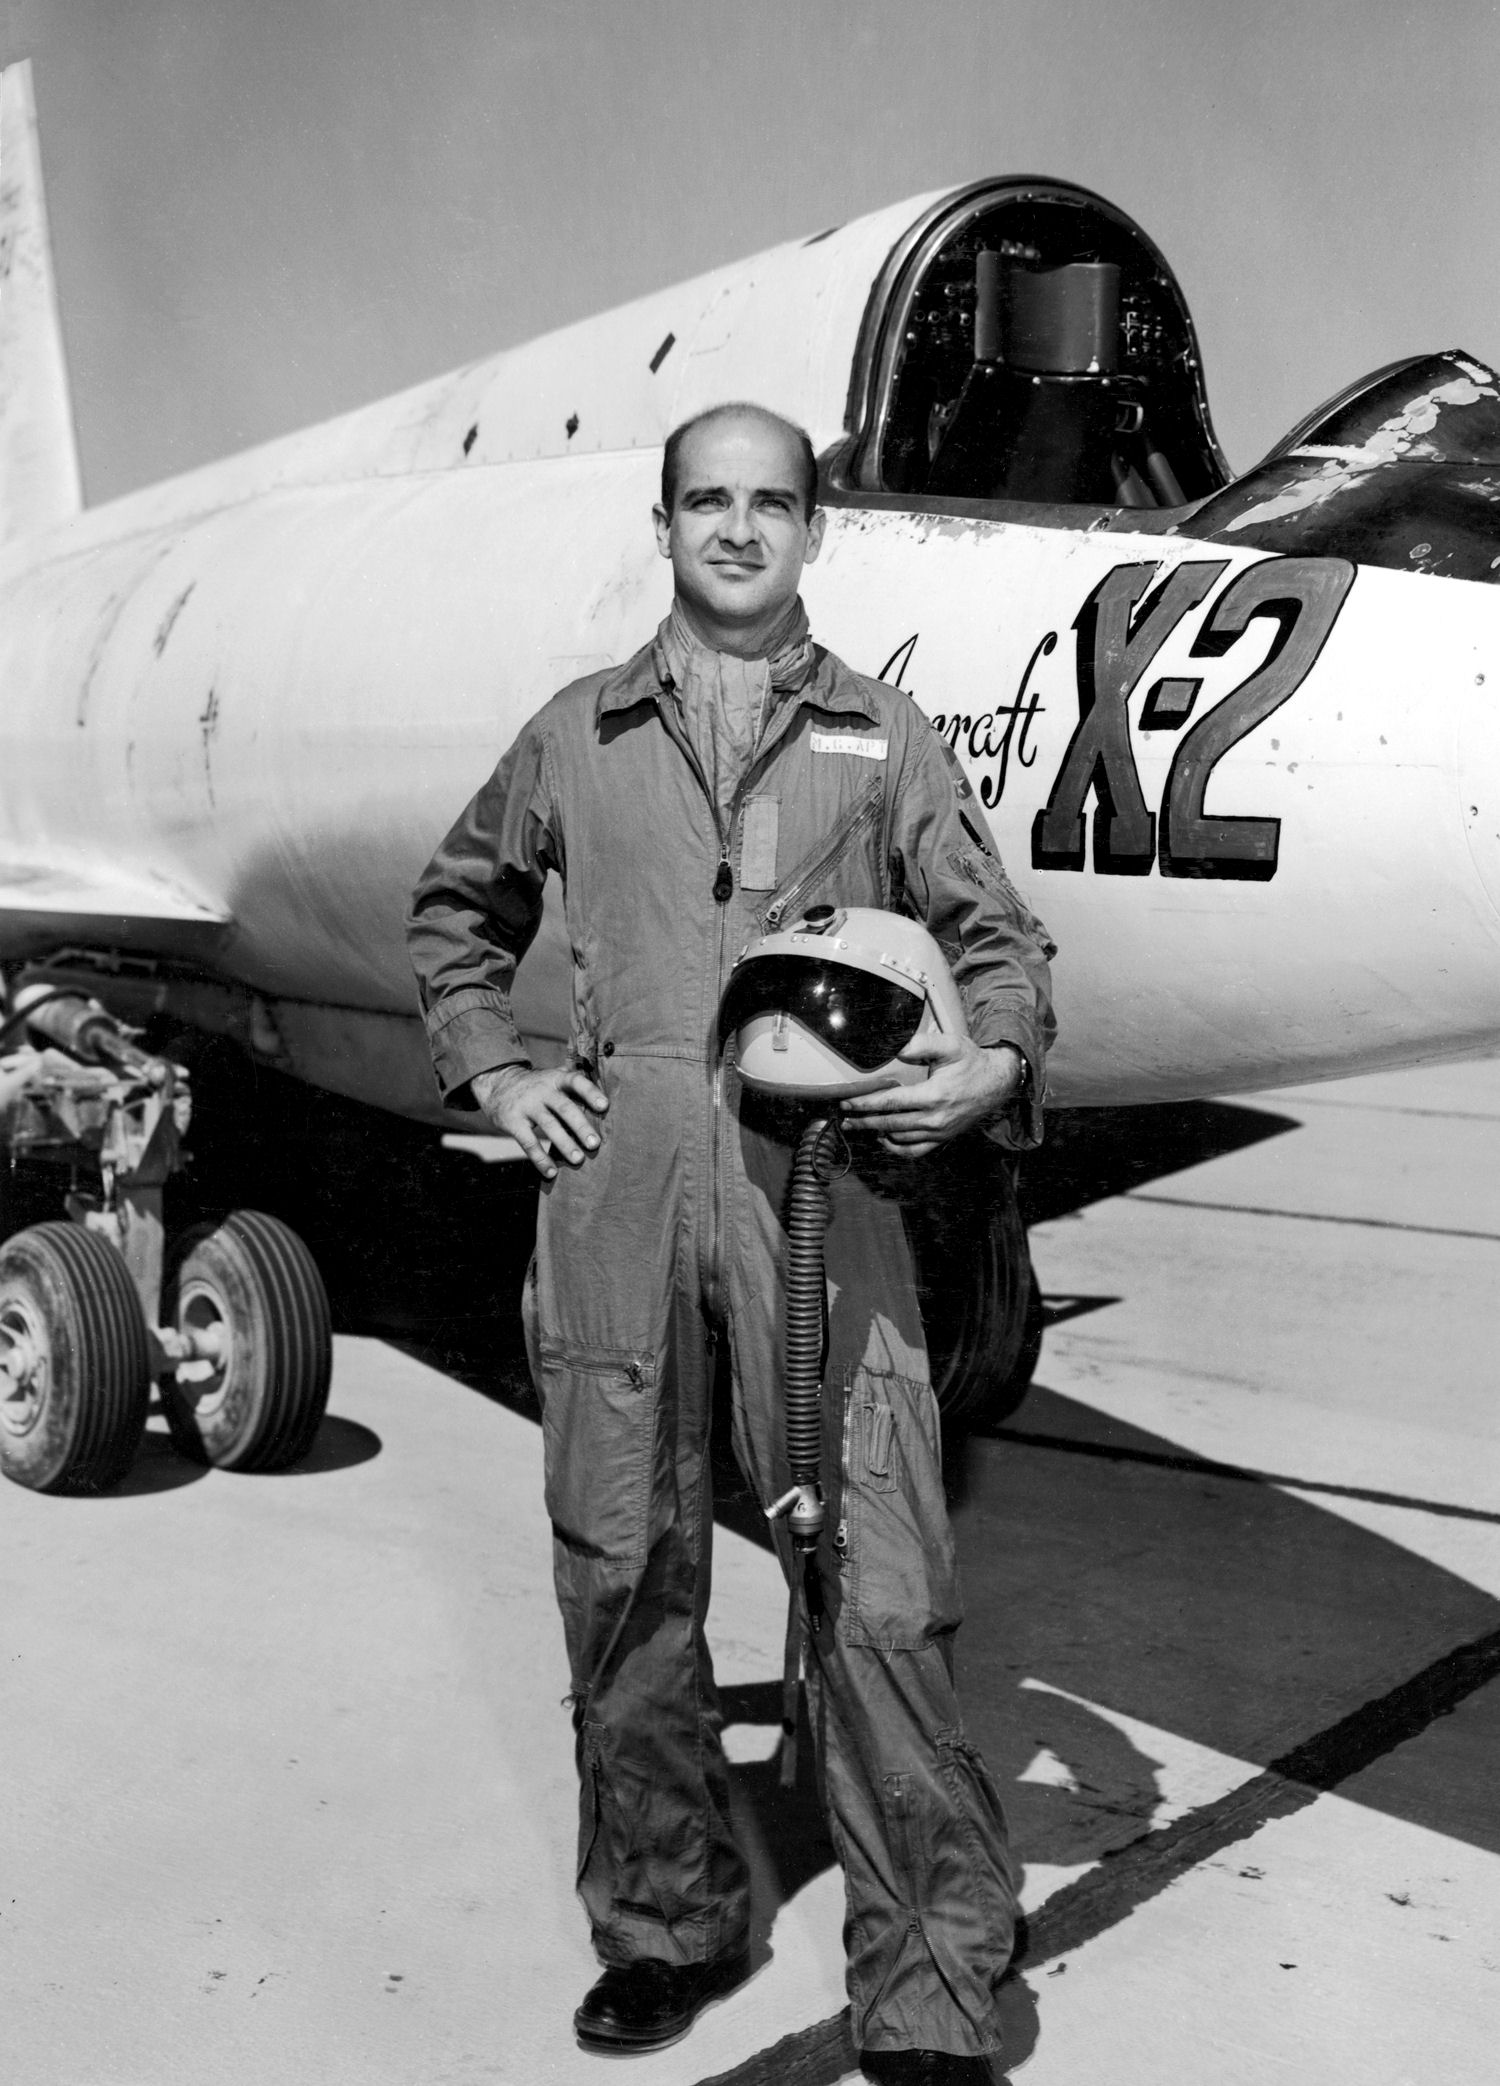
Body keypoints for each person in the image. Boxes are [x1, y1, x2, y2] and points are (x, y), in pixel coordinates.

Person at [407, 402, 1055, 2085]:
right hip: (618, 1193)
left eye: (774, 501)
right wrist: (495, 1057)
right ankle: (668, 1919)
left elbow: (997, 939)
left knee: (881, 1591)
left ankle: (930, 1976)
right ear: (668, 523)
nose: (741, 529)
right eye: (710, 500)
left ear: (816, 528)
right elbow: (454, 909)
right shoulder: (577, 734)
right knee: (621, 1572)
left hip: (815, 1195)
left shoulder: (883, 738)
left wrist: (986, 1064)